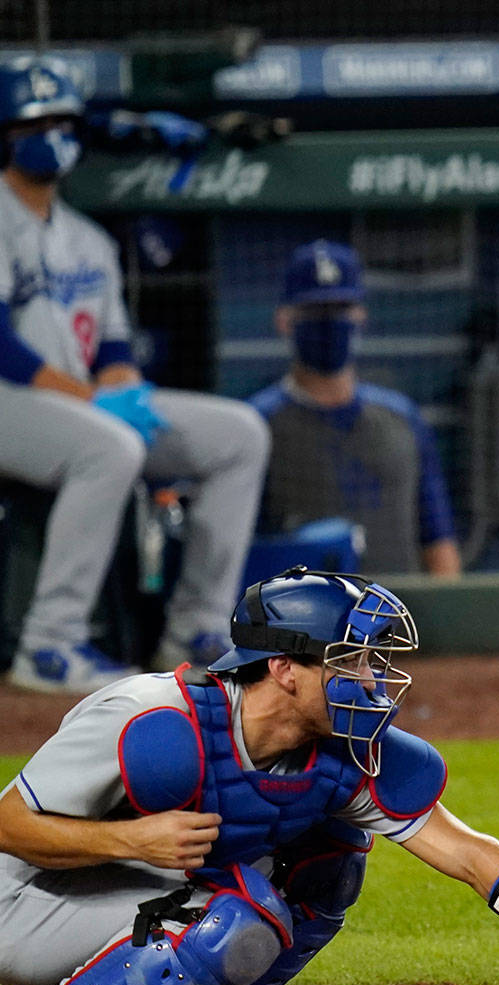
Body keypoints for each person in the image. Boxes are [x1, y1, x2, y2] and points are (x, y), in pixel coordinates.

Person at [0, 567, 499, 985]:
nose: (375, 680)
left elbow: (470, 854)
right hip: (20, 903)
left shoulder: (342, 758)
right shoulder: (150, 719)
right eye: (352, 661)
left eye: (375, 661)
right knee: (236, 918)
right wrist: (129, 838)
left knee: (331, 861)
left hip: (113, 901)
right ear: (285, 670)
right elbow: (8, 825)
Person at [0, 57, 270, 694]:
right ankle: (49, 644)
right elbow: (4, 351)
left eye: (64, 119)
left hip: (70, 406)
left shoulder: (87, 240)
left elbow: (114, 342)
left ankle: (198, 631)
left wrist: (122, 385)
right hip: (11, 400)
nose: (54, 133)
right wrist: (99, 400)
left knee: (240, 434)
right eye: (36, 121)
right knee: (110, 445)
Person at [249, 240, 461, 578]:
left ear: (360, 316)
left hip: (396, 613)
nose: (330, 321)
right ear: (285, 320)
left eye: (341, 308)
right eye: (316, 312)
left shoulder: (401, 417)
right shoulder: (258, 423)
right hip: (304, 618)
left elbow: (438, 539)